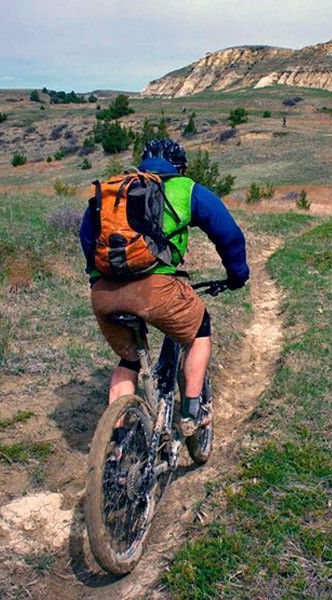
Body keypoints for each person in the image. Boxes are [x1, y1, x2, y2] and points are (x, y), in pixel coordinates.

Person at [79, 138, 249, 435]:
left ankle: (115, 441)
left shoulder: (114, 188)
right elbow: (229, 234)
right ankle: (193, 412)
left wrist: (98, 279)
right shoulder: (186, 188)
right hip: (156, 289)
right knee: (199, 330)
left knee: (129, 359)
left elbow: (87, 236)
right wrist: (237, 275)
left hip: (105, 294)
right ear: (180, 166)